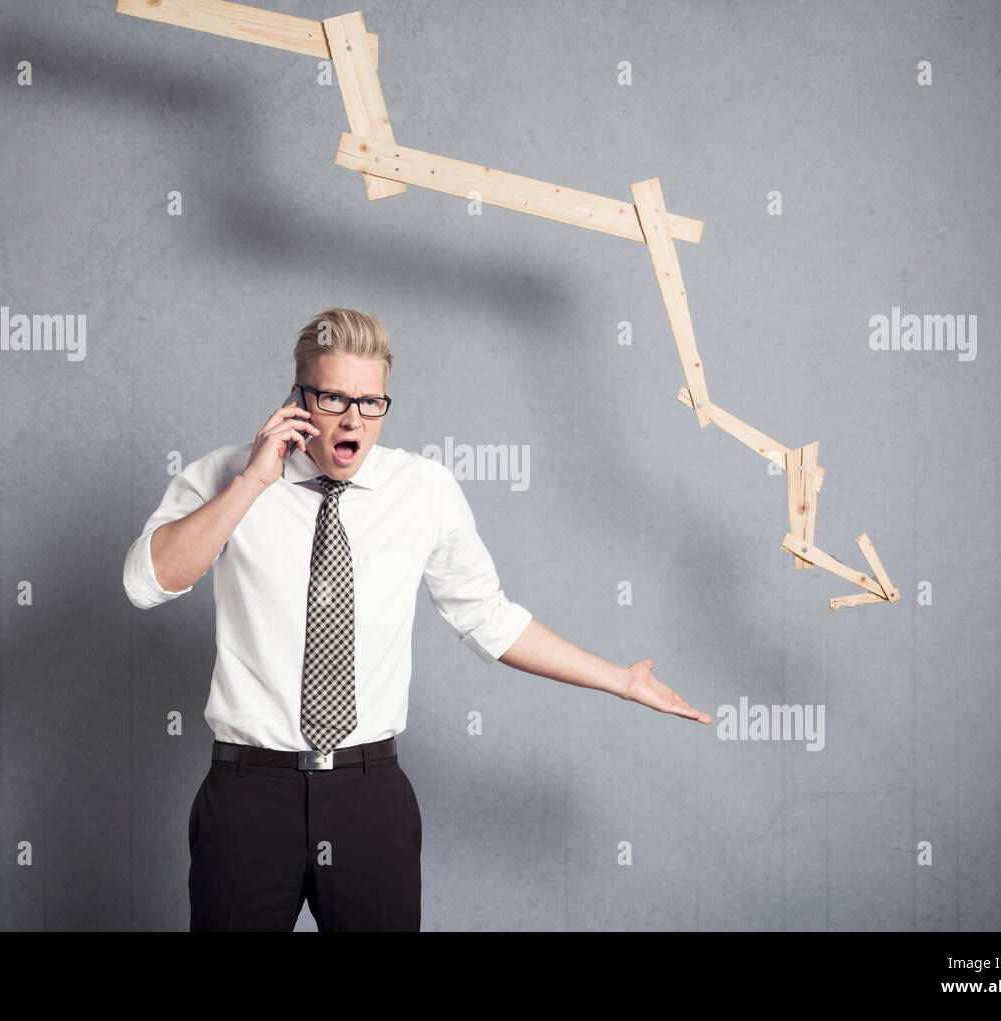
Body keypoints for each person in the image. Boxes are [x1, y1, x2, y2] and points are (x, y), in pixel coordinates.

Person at [122, 308, 711, 931]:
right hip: (248, 793)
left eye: (371, 402)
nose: (353, 419)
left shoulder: (423, 489)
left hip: (368, 794)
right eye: (333, 398)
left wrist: (620, 679)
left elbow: (489, 617)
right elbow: (146, 583)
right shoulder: (224, 474)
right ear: (297, 398)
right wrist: (252, 483)